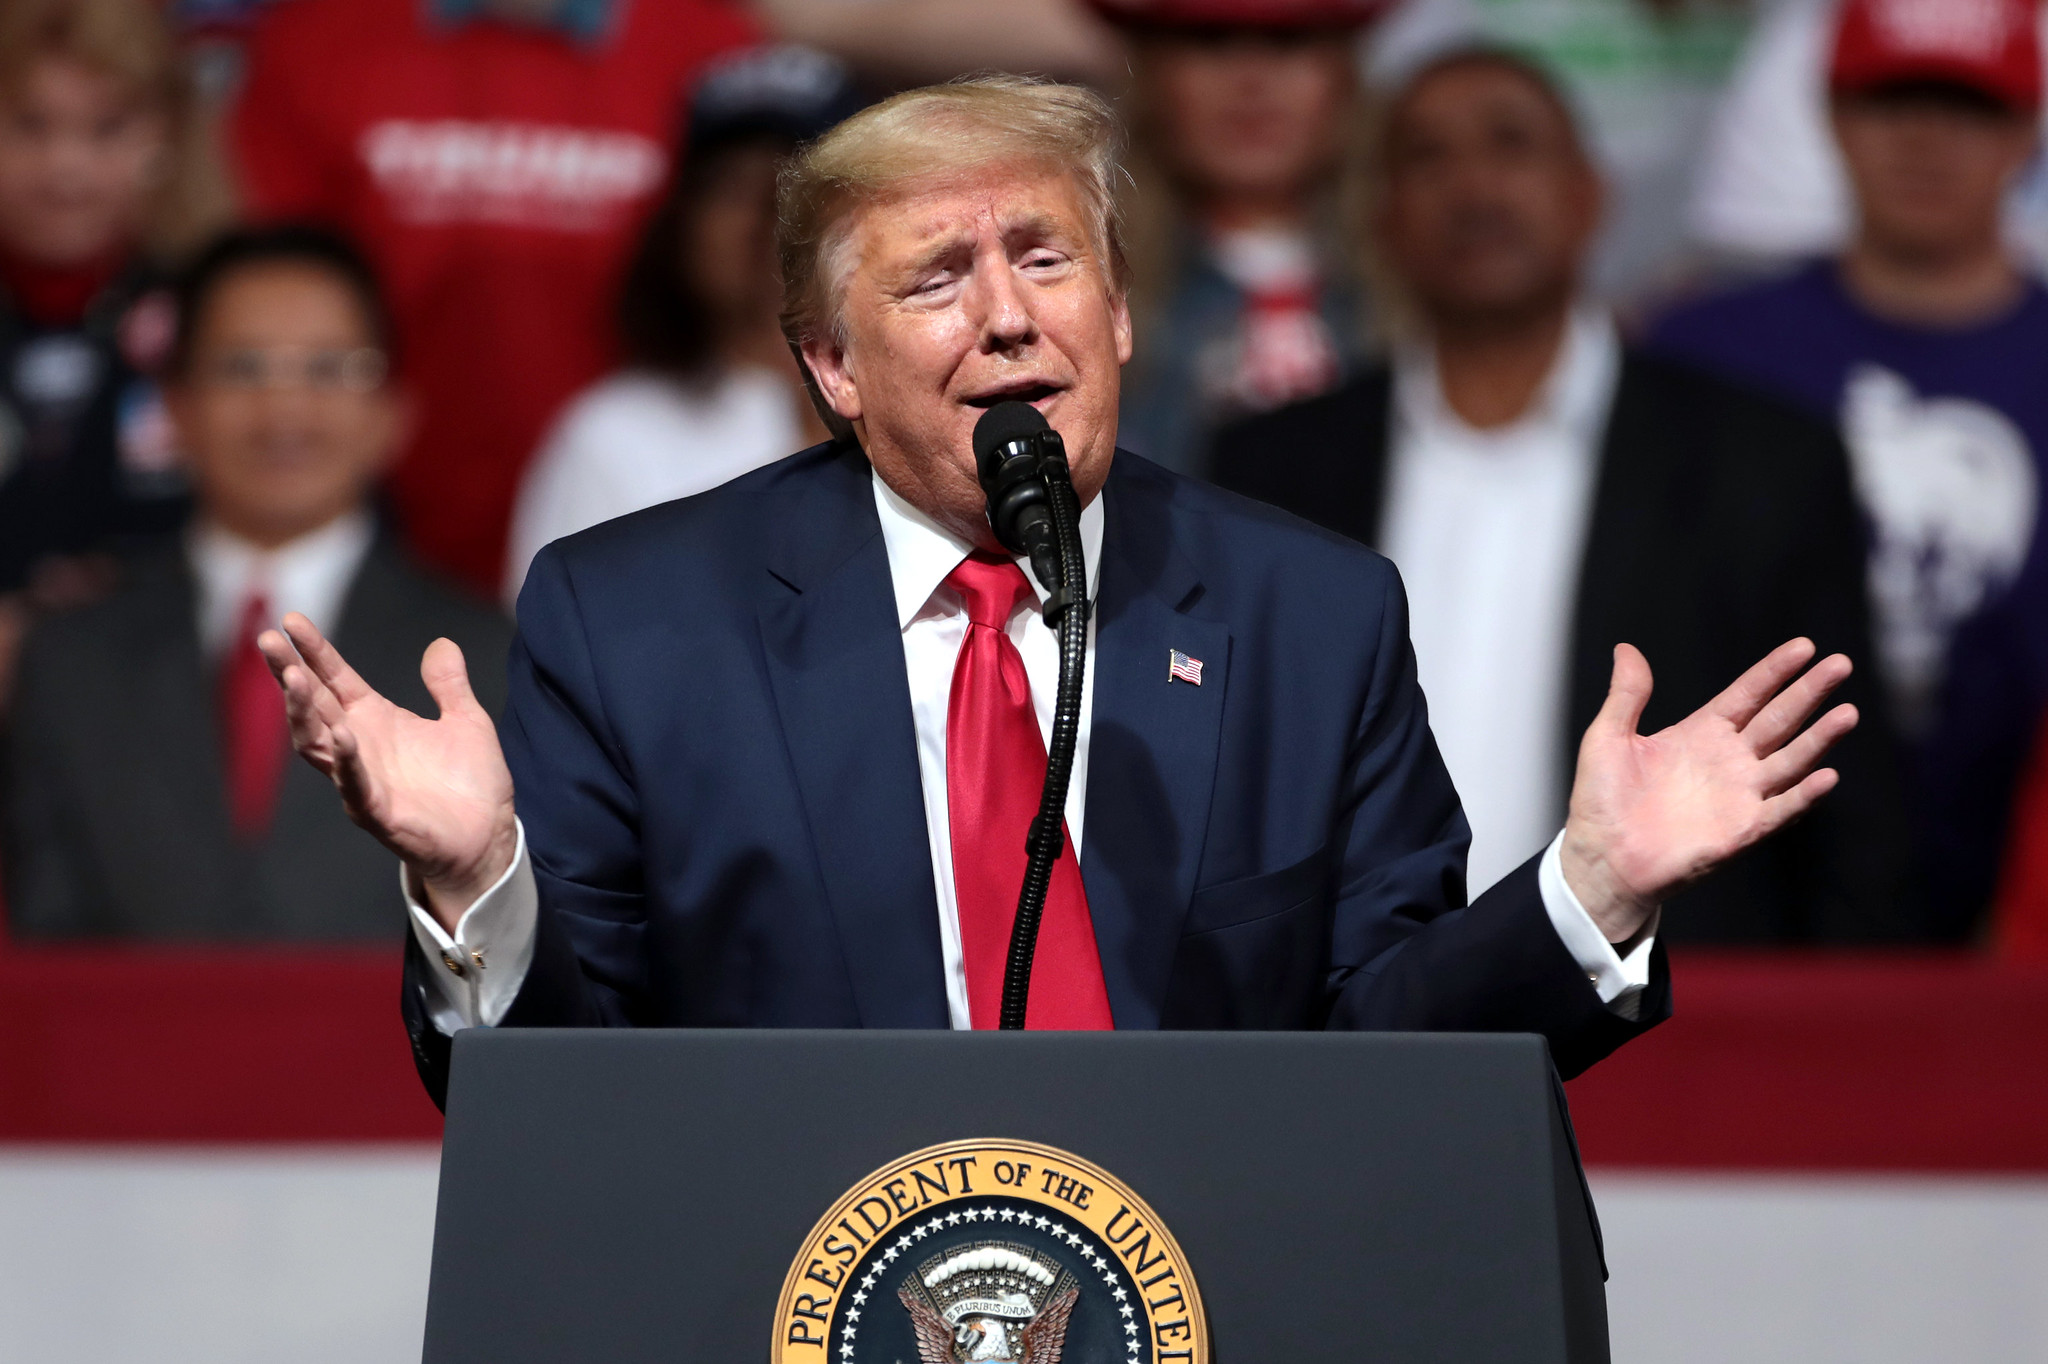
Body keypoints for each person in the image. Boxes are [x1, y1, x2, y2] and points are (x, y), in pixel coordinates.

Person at [259, 78, 1857, 1107]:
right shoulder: (638, 621)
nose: (1009, 318)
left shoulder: (1310, 613)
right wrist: (481, 884)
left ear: (1122, 315)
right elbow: (560, 1111)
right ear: (829, 364)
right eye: (937, 280)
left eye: (1047, 259)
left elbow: (1389, 1071)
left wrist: (1588, 891)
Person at [1211, 48, 1910, 943]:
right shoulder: (1273, 467)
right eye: (1427, 157)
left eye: (1511, 144)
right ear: (1379, 219)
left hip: (1676, 1031)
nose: (1473, 187)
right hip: (1361, 1032)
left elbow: (1850, 818)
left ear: (1590, 196)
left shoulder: (1764, 464)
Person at [1647, 0, 2048, 941]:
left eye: (1966, 106)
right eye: (1890, 100)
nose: (1923, 137)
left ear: (2027, 131)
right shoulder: (1703, 348)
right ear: (1830, 114)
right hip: (1737, 895)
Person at [4, 225, 510, 939]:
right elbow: (47, 946)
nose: (284, 411)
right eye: (242, 368)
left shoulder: (490, 659)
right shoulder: (67, 658)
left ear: (392, 411)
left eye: (330, 370)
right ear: (174, 408)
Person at [228, 0, 759, 598]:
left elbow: (758, 282)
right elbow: (277, 302)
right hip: (372, 531)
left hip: (642, 511)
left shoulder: (707, 40)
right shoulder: (315, 36)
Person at [503, 45, 857, 603]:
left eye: (801, 186)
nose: (767, 218)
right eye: (733, 187)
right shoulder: (612, 435)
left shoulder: (920, 414)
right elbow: (550, 662)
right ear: (681, 222)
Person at [0, 0, 230, 714]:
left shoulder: (222, 317)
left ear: (166, 132)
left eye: (107, 128)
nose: (65, 166)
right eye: (30, 125)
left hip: (162, 716)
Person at [1091, 0, 1382, 480]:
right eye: (1211, 40)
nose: (1251, 81)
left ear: (1347, 75)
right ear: (1149, 77)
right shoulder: (1081, 295)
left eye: (1288, 42)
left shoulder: (1432, 298)